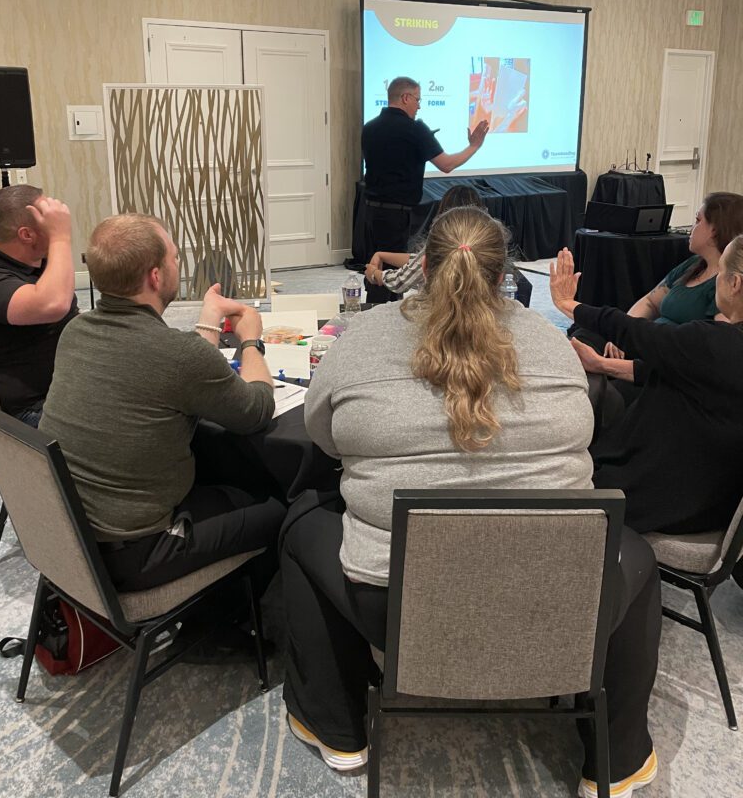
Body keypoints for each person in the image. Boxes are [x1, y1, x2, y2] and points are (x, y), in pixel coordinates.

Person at [281, 207, 662, 798]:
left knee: (302, 522)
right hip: (560, 602)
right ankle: (617, 759)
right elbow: (586, 430)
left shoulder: (362, 340)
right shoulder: (553, 345)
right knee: (634, 556)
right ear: (505, 273)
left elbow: (324, 436)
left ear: (423, 267)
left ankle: (337, 730)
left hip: (394, 607)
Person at [40, 214, 286, 592]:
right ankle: (221, 628)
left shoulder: (76, 330)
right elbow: (256, 410)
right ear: (155, 276)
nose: (177, 263)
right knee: (286, 506)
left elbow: (172, 370)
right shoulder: (178, 355)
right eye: (173, 257)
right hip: (138, 551)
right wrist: (250, 341)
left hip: (72, 539)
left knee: (217, 466)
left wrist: (208, 320)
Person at [551, 240, 743, 535]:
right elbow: (674, 371)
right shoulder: (719, 351)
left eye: (722, 271)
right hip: (718, 500)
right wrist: (602, 365)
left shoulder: (717, 343)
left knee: (555, 482)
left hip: (670, 499)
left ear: (735, 283)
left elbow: (635, 332)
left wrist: (568, 305)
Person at [581, 192, 743, 387]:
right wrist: (622, 337)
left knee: (603, 390)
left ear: (714, 230)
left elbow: (701, 360)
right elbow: (650, 301)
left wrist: (607, 363)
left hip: (662, 364)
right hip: (647, 343)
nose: (692, 227)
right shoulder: (693, 265)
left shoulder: (724, 290)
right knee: (585, 335)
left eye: (698, 220)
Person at [361, 76, 489, 302]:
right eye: (418, 100)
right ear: (405, 97)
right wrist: (474, 146)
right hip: (396, 213)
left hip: (369, 211)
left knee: (374, 262)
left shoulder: (369, 128)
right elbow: (447, 165)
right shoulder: (415, 129)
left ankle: (372, 310)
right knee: (391, 270)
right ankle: (385, 317)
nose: (419, 106)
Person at [0, 185, 77, 426]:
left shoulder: (40, 266)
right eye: (47, 222)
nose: (54, 227)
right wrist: (61, 237)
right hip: (35, 411)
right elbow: (53, 304)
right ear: (26, 235)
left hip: (70, 390)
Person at [364, 184, 483, 295]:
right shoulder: (489, 245)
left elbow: (400, 281)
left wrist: (374, 273)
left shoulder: (441, 244)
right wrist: (382, 255)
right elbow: (419, 260)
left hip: (440, 313)